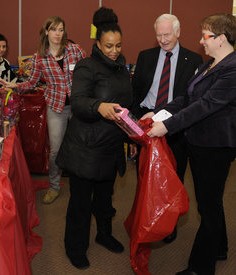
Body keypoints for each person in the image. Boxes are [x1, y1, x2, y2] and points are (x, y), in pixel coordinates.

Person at [142, 13, 236, 275]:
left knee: (208, 206)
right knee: (211, 201)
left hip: (215, 147)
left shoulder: (232, 68)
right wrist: (159, 113)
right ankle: (220, 248)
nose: (201, 41)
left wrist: (167, 126)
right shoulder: (210, 64)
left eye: (206, 36)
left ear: (222, 38)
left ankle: (200, 268)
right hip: (199, 142)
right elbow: (187, 98)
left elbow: (205, 106)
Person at [56, 7, 137, 270]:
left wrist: (132, 137)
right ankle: (75, 247)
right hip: (86, 148)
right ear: (98, 44)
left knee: (105, 199)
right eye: (109, 46)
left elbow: (125, 106)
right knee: (80, 204)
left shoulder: (121, 67)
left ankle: (104, 234)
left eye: (118, 45)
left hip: (112, 146)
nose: (114, 50)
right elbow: (78, 102)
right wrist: (98, 106)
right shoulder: (86, 66)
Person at [0, 16, 86, 204]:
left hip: (79, 106)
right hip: (56, 107)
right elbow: (31, 83)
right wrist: (13, 86)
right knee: (55, 150)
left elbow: (88, 72)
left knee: (82, 147)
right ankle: (54, 186)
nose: (58, 34)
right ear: (46, 32)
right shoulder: (40, 57)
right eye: (54, 30)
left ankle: (83, 186)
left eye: (61, 30)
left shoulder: (75, 50)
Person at [131, 13, 203, 243]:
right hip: (147, 122)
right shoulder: (145, 56)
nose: (163, 39)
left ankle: (168, 224)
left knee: (173, 178)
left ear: (178, 32)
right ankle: (146, 219)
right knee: (145, 177)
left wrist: (170, 119)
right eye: (159, 35)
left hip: (175, 126)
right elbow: (135, 93)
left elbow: (191, 99)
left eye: (167, 34)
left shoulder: (193, 60)